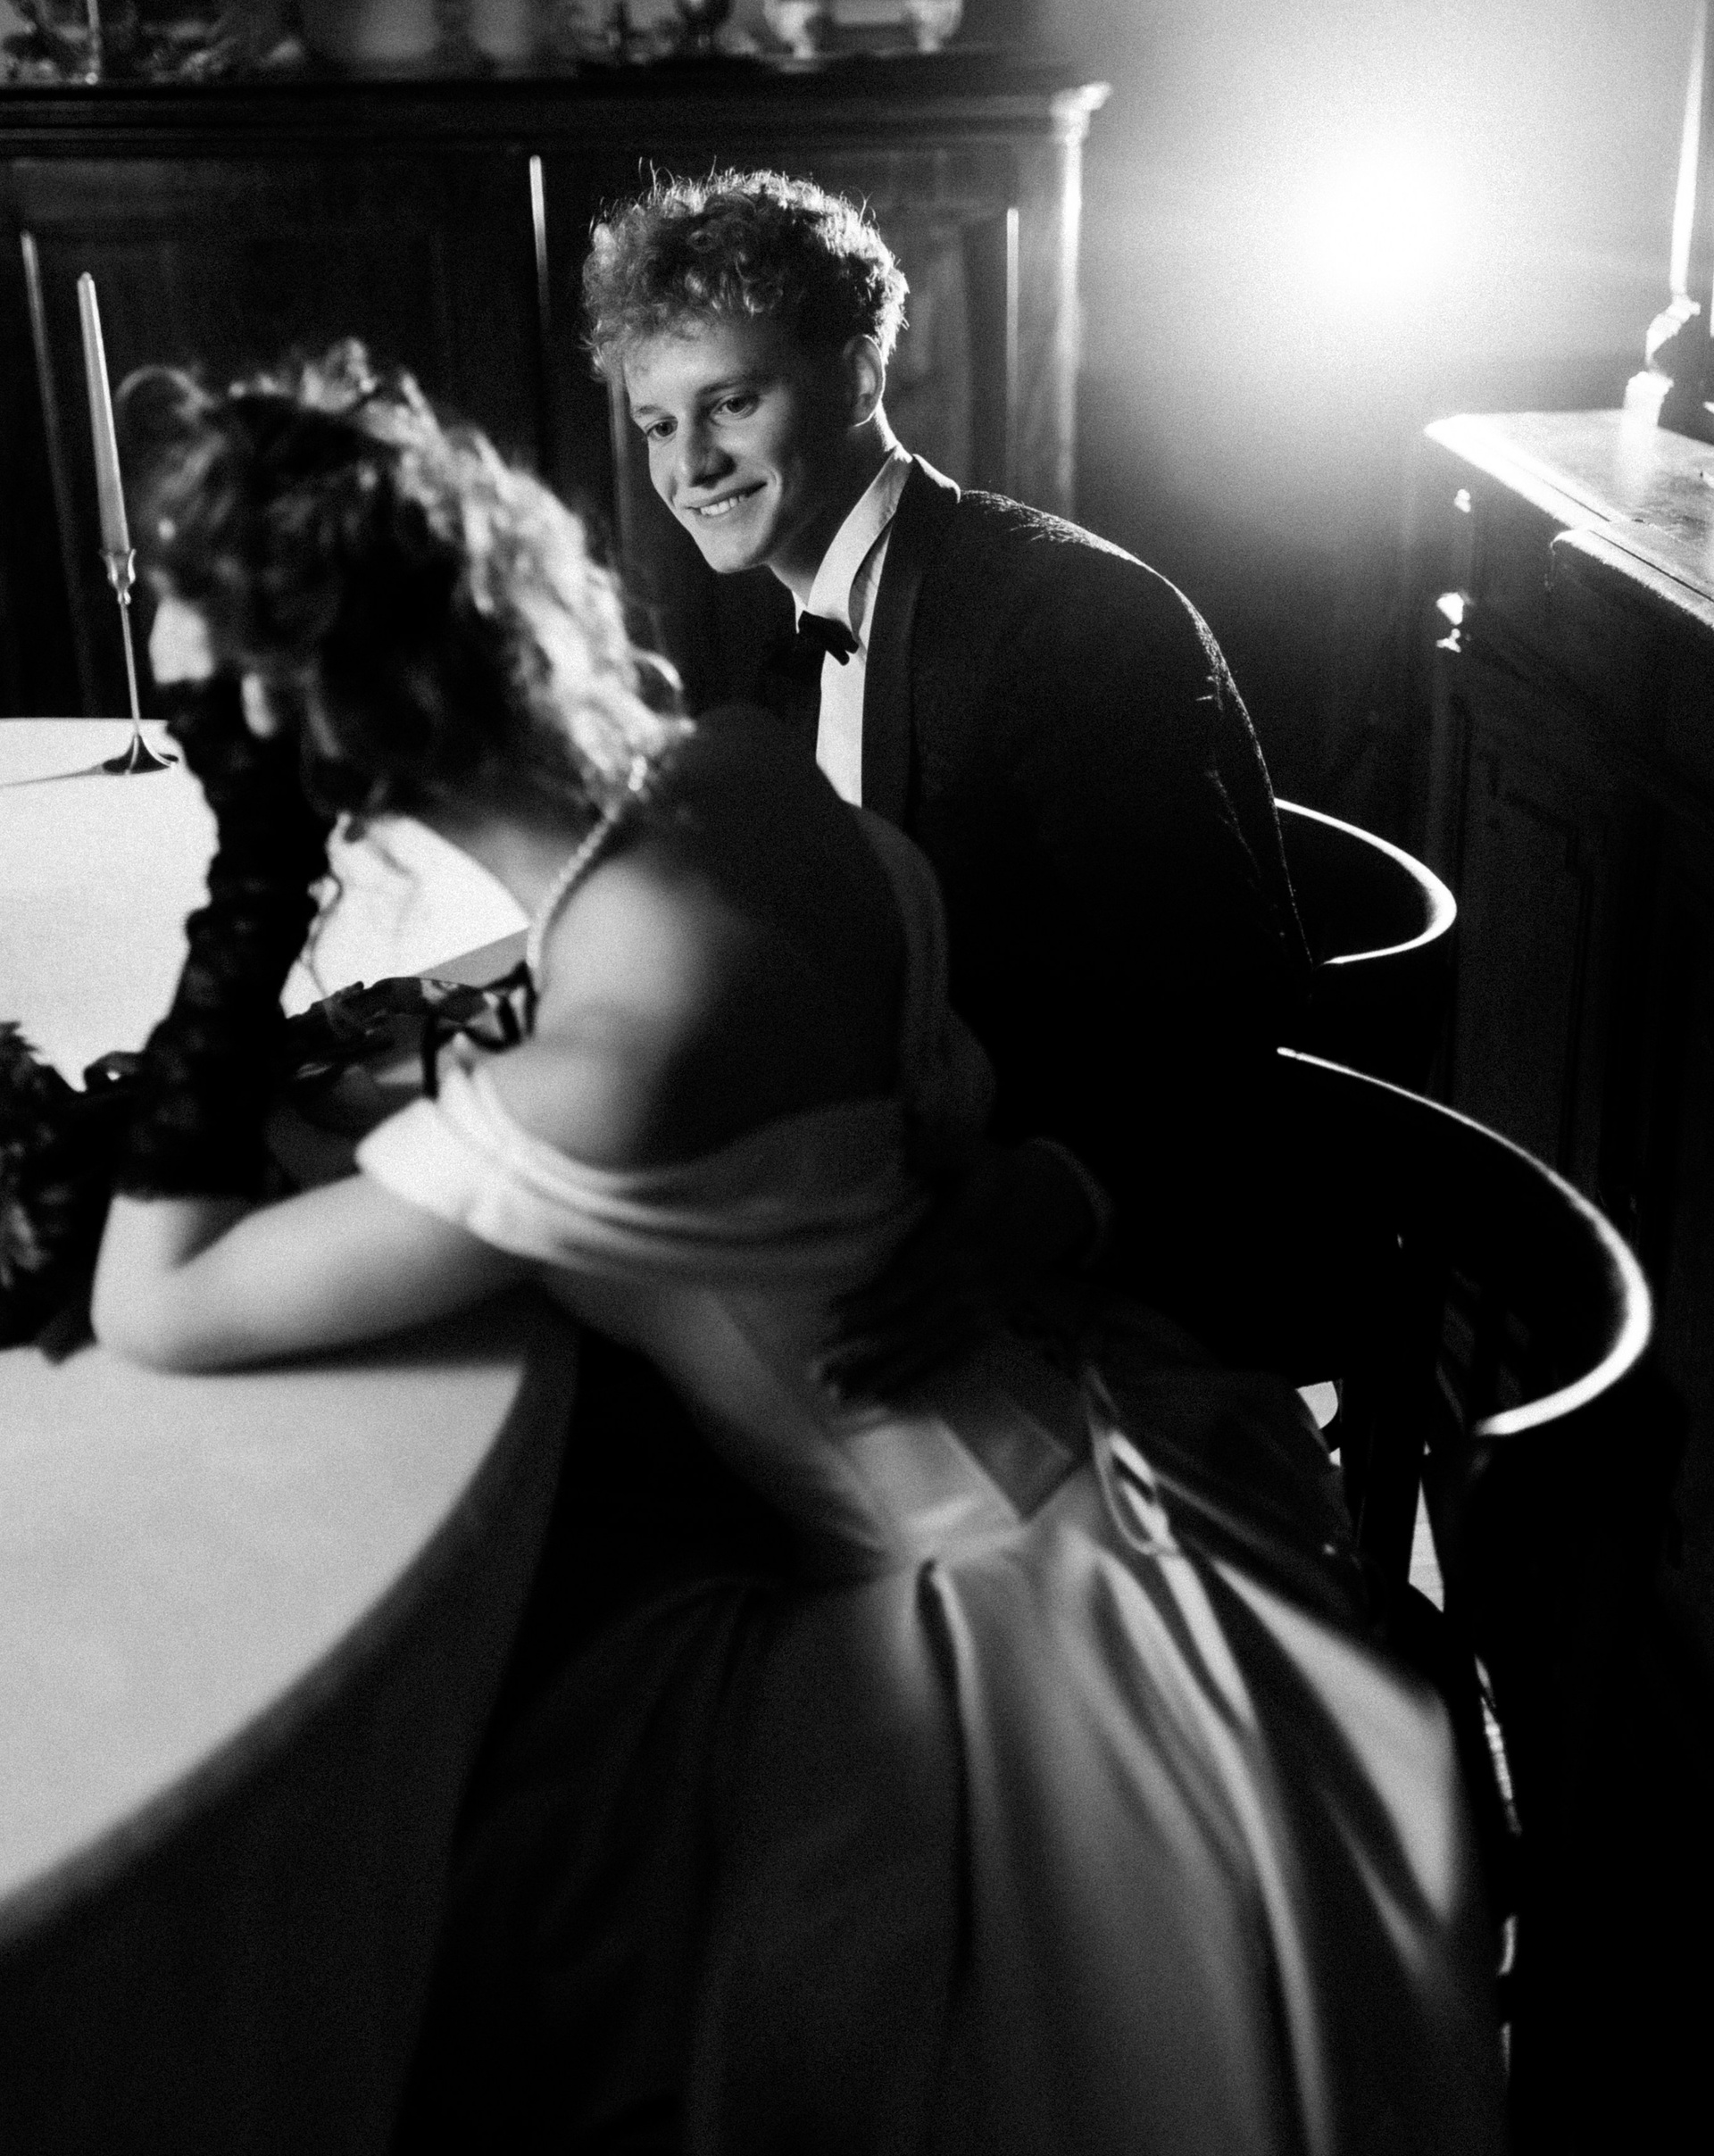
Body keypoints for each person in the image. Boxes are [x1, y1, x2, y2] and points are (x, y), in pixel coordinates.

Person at [89, 345, 1505, 2155]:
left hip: (977, 1627)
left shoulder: (609, 1060)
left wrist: (248, 897)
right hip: (1113, 1451)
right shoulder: (744, 775)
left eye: (217, 723)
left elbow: (159, 1303)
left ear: (321, 743)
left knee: (420, 1833)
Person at [582, 170, 1311, 1311]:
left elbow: (1225, 1018)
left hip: (1099, 1265)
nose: (689, 467)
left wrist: (1017, 1221)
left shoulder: (1064, 624)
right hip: (897, 1177)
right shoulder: (773, 627)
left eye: (732, 403)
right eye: (658, 425)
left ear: (861, 376)